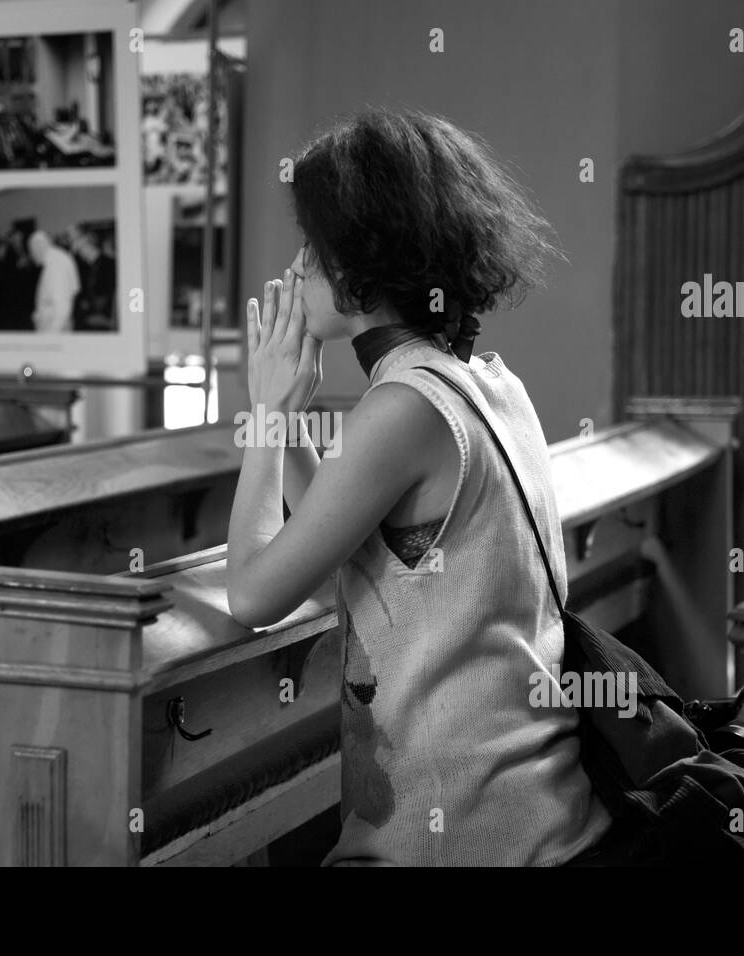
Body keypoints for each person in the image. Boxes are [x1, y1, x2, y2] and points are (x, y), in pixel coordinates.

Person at [225, 108, 612, 866]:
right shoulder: (482, 384)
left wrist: (265, 414)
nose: (297, 266)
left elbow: (253, 594)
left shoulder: (404, 408)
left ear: (361, 264)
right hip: (542, 815)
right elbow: (327, 522)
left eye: (313, 247)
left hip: (465, 835)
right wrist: (288, 414)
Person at [27, 229, 78, 332]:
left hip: (55, 327)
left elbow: (62, 309)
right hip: (53, 320)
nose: (32, 256)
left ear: (39, 247)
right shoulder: (57, 258)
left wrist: (51, 338)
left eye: (32, 251)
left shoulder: (56, 265)